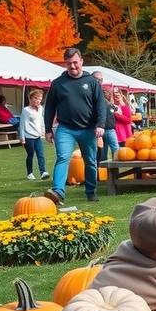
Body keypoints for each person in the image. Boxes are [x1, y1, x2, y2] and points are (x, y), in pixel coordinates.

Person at [44, 48, 106, 204]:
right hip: (66, 129)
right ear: (65, 64)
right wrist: (47, 130)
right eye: (69, 63)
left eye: (75, 62)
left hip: (88, 129)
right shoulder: (58, 83)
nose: (72, 66)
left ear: (81, 61)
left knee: (90, 161)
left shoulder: (91, 81)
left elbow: (100, 105)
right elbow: (50, 107)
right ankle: (58, 192)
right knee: (63, 157)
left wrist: (100, 124)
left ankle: (91, 191)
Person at [18, 89, 49, 180]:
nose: (38, 100)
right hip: (28, 137)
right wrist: (22, 137)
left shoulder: (41, 108)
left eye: (40, 98)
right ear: (31, 98)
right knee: (31, 154)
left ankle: (43, 172)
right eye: (36, 98)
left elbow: (41, 120)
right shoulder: (26, 110)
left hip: (38, 136)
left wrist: (43, 131)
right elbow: (22, 124)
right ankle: (29, 173)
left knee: (41, 154)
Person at [91, 72, 119, 164]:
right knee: (99, 153)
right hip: (97, 129)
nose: (99, 81)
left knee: (116, 150)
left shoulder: (101, 93)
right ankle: (99, 175)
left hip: (109, 128)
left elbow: (107, 105)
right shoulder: (89, 93)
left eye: (101, 79)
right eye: (96, 79)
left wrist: (115, 108)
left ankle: (114, 173)